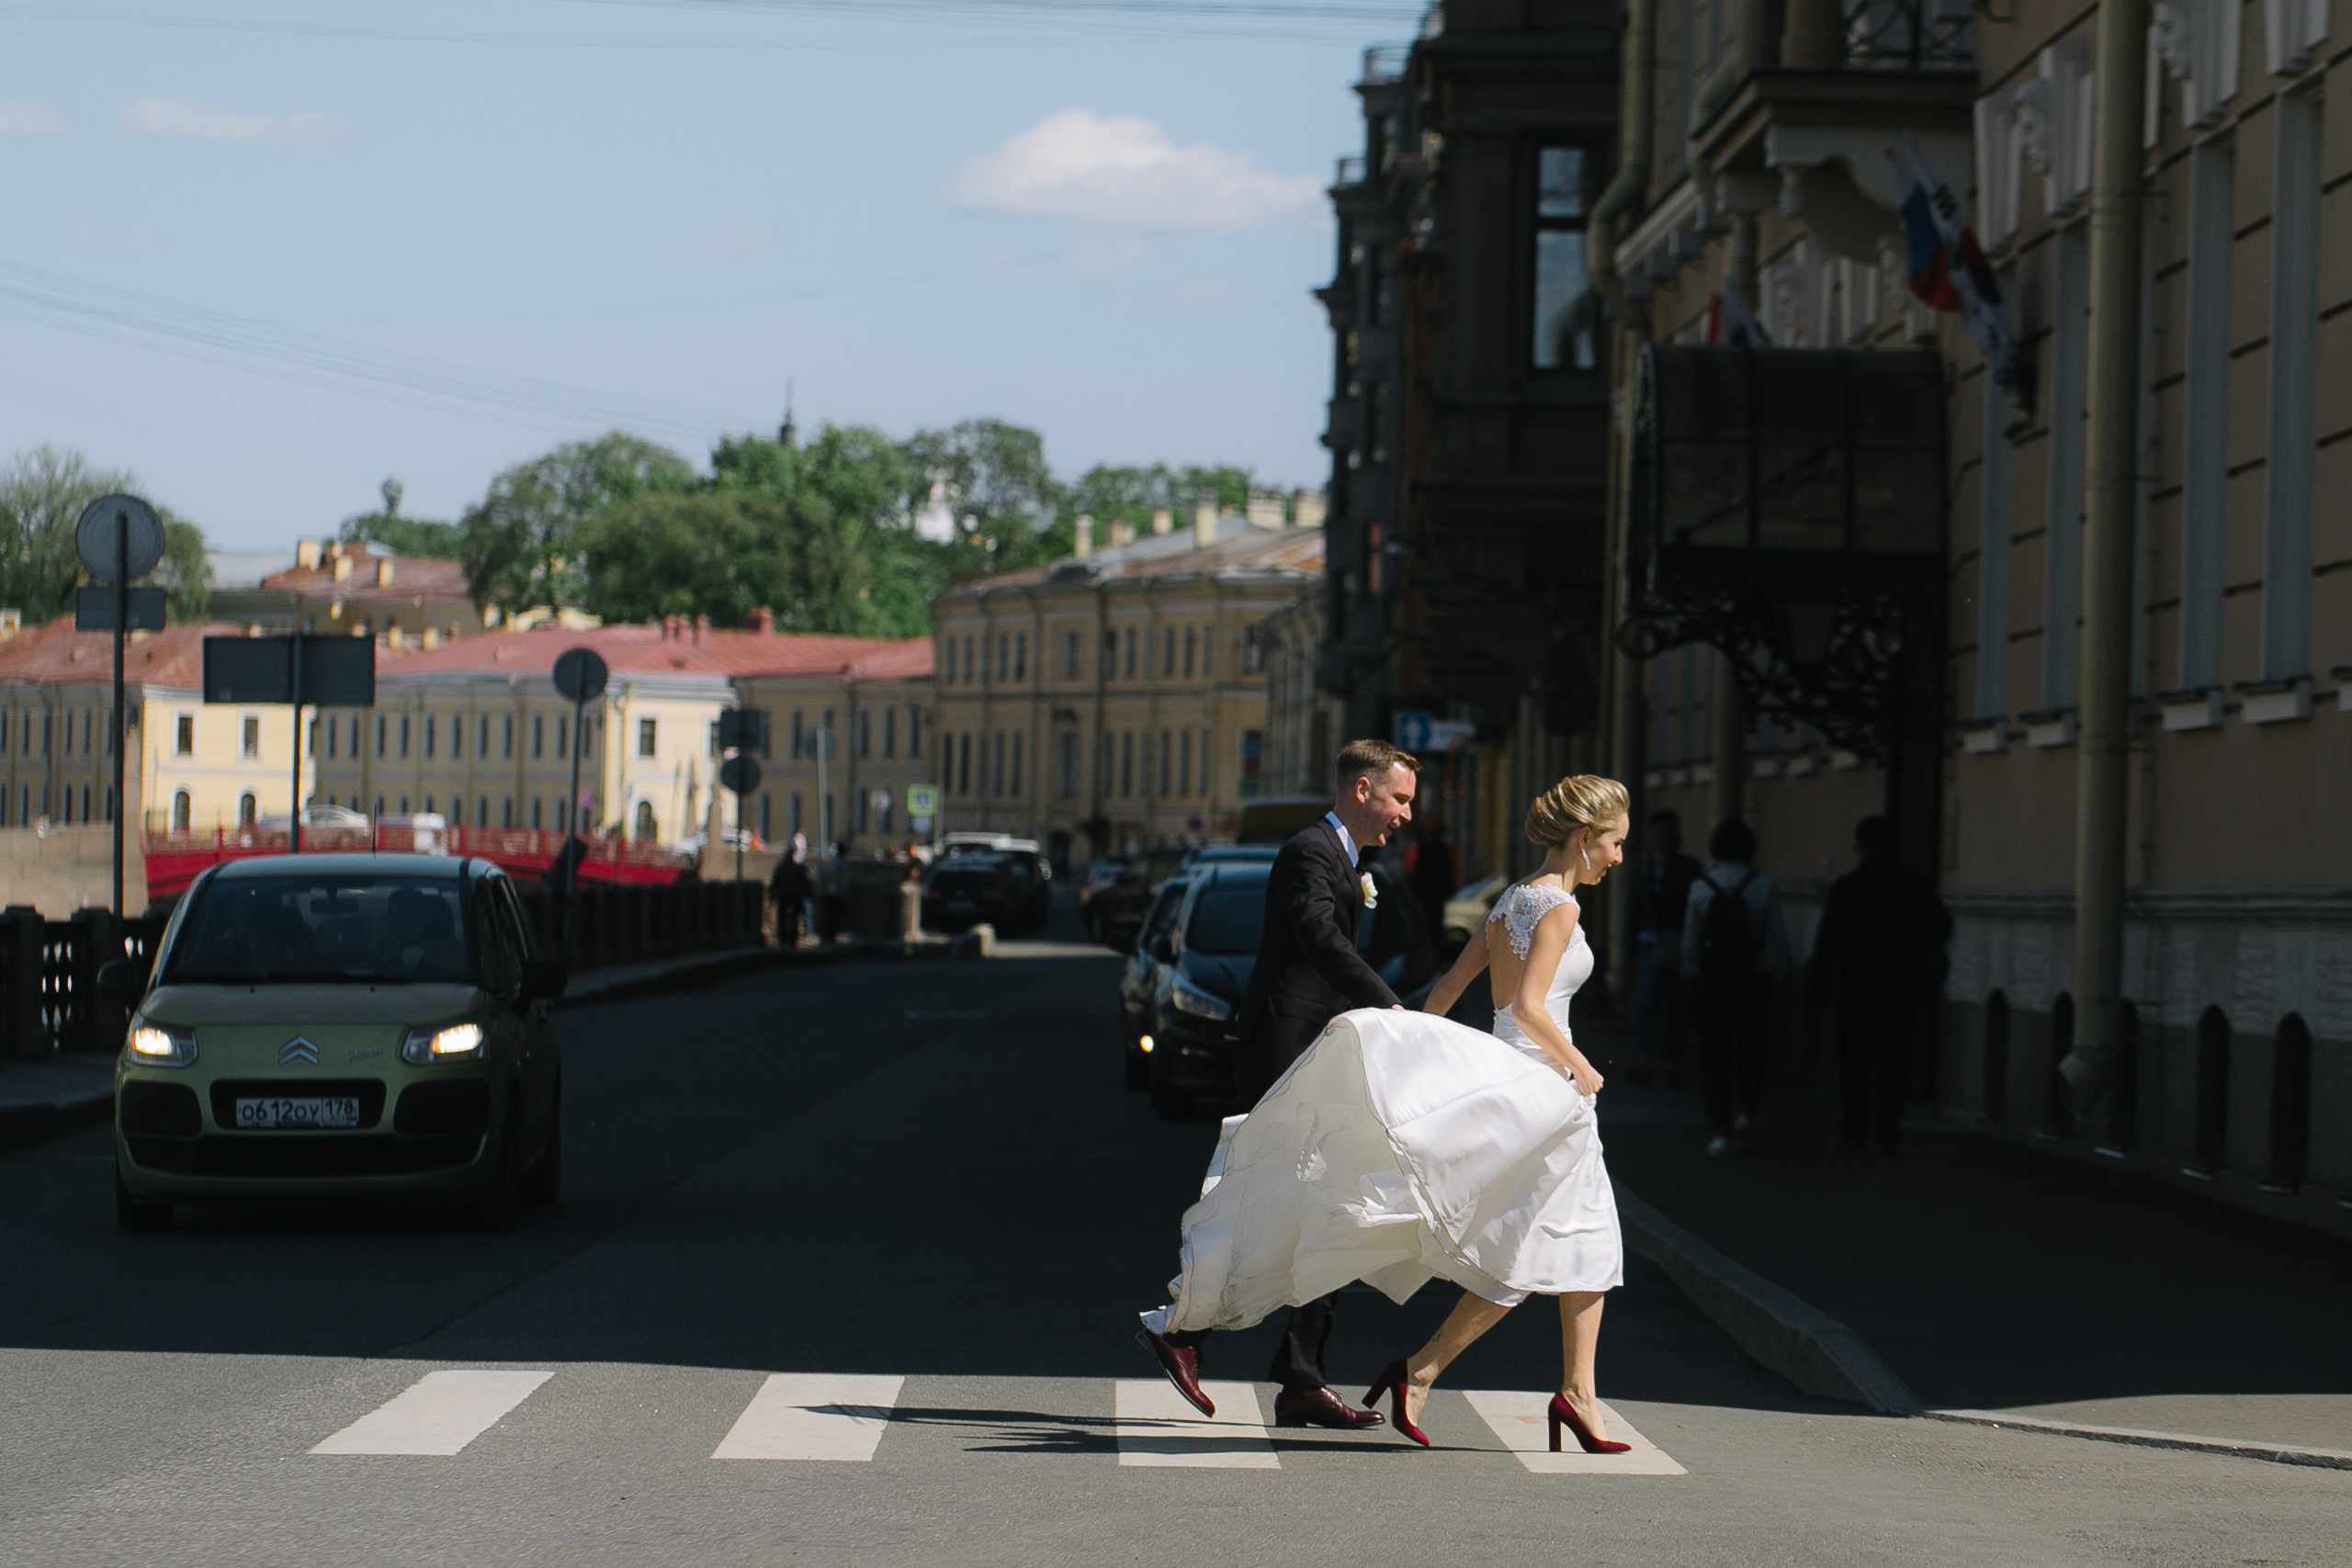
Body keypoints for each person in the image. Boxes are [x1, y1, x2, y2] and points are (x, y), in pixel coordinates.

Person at [1137, 774, 1635, 1457]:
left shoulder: (1509, 901)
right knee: (1542, 1242)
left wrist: (1413, 1058)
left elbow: (1447, 990)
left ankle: (1540, 1387)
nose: (1617, 858)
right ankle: (1454, 1375)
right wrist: (1578, 1063)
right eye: (1613, 843)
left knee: (1566, 1244)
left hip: (1510, 1082)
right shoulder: (1561, 911)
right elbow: (1527, 1008)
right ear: (1583, 838)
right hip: (1545, 1090)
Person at [1136, 738, 1420, 1434]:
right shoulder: (1308, 853)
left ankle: (1299, 1374)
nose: (1406, 815)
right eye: (1400, 798)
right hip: (1283, 1050)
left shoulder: (1351, 861)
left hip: (1312, 1052)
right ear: (1361, 790)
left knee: (1325, 1208)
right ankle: (1186, 1332)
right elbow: (1321, 938)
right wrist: (1387, 1004)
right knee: (1279, 1205)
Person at [1809, 815, 1953, 1156]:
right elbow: (1941, 927)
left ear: (1858, 847)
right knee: (1895, 1061)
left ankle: (1854, 1129)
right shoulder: (1914, 885)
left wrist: (1820, 988)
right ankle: (1887, 1131)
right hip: (1900, 985)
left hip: (1854, 987)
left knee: (1854, 1063)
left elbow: (1826, 943)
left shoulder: (1845, 888)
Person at [1680, 818, 1792, 1156]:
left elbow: (1690, 941)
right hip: (1751, 980)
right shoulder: (1762, 886)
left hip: (1712, 981)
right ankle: (1746, 1110)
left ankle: (1719, 1128)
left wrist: (1690, 974)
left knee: (1713, 1054)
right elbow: (1777, 937)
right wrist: (1781, 973)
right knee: (1751, 1047)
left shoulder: (1701, 887)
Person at [1626, 808, 1702, 1089]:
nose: (1662, 838)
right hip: (1649, 943)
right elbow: (1633, 907)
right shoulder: (1643, 867)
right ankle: (1641, 1060)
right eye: (1658, 832)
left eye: (1667, 832)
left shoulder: (1689, 868)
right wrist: (1628, 949)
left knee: (1675, 1008)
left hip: (1679, 943)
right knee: (1646, 1004)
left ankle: (1671, 1064)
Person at [1407, 818, 1458, 936]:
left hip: (1433, 896)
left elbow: (1409, 870)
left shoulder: (1444, 851)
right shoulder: (1419, 849)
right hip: (1424, 896)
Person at [768, 842, 810, 950]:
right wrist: (808, 894)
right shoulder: (798, 868)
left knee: (782, 917)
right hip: (795, 895)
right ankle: (792, 939)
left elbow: (775, 882)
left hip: (783, 895)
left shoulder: (780, 867)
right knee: (794, 917)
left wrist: (771, 897)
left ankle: (782, 939)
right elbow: (805, 883)